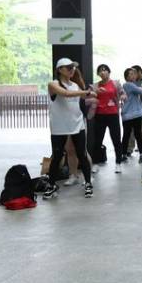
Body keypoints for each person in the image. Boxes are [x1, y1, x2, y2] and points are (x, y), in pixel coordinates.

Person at [44, 58, 96, 199]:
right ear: (60, 70)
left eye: (73, 67)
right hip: (59, 126)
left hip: (77, 124)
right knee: (57, 156)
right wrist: (85, 92)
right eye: (69, 67)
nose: (72, 70)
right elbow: (65, 94)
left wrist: (92, 94)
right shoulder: (53, 84)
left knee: (82, 154)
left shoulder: (75, 85)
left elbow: (80, 98)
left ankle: (88, 183)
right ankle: (51, 185)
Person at [92, 64, 125, 174]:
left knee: (116, 139)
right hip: (99, 115)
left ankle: (118, 163)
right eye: (100, 71)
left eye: (105, 70)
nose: (102, 72)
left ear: (109, 72)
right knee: (98, 140)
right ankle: (95, 163)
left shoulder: (115, 83)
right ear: (98, 74)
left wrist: (123, 96)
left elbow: (122, 93)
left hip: (113, 114)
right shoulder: (95, 86)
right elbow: (89, 97)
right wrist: (96, 92)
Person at [120, 67, 142, 163]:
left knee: (128, 134)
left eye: (134, 74)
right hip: (132, 114)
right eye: (131, 74)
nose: (133, 75)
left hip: (130, 114)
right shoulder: (128, 85)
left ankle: (125, 154)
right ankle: (140, 154)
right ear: (126, 77)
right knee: (136, 134)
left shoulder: (129, 85)